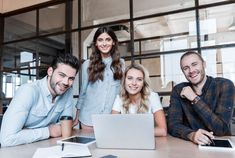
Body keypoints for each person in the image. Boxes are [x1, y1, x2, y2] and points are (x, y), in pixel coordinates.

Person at [0, 53, 80, 147]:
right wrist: (49, 131)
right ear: (50, 71)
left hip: (47, 146)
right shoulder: (28, 91)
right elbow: (7, 139)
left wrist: (27, 133)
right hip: (17, 150)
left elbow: (64, 126)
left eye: (71, 78)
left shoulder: (68, 91)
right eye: (62, 75)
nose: (66, 82)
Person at [168, 51, 235, 145]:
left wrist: (194, 99)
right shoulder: (178, 90)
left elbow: (221, 129)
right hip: (189, 145)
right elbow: (173, 125)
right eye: (186, 68)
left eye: (194, 64)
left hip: (220, 145)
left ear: (204, 64)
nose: (191, 71)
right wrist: (192, 135)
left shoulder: (224, 85)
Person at [73, 26, 124, 129]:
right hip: (88, 118)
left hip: (111, 118)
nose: (104, 43)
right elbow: (82, 93)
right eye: (100, 40)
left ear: (113, 42)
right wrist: (77, 118)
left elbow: (121, 92)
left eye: (108, 39)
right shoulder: (87, 64)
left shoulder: (121, 63)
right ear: (96, 43)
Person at [112, 63, 167, 136]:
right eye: (130, 78)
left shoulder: (152, 97)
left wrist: (131, 132)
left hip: (146, 142)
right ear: (124, 80)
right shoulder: (119, 98)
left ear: (143, 83)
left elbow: (163, 131)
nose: (134, 83)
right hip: (126, 142)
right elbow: (112, 127)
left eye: (139, 79)